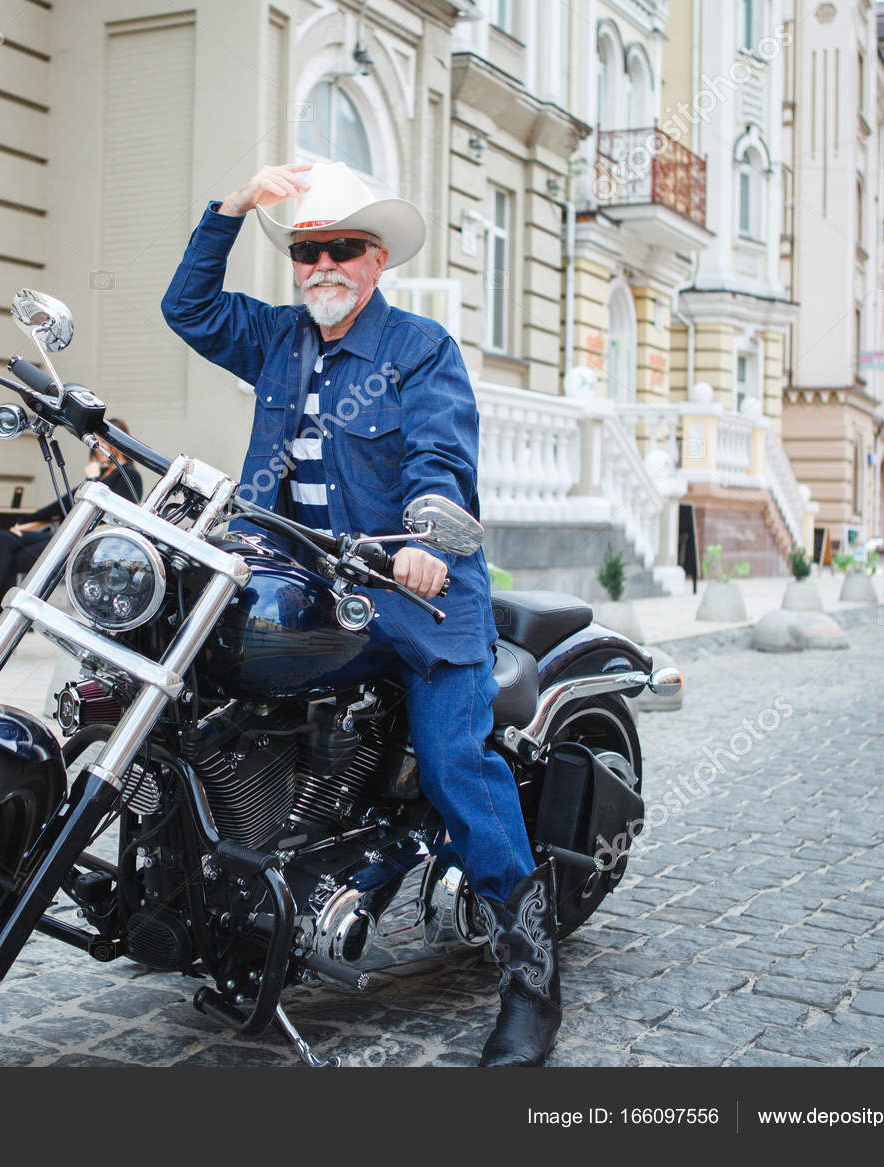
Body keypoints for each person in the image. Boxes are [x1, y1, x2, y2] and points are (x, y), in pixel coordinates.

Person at [161, 160, 558, 1067]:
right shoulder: (275, 338)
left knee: (458, 762)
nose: (322, 265)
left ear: (376, 259)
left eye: (342, 248)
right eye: (308, 249)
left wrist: (425, 535)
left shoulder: (419, 349)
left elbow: (440, 461)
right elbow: (188, 310)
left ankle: (531, 975)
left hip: (415, 596)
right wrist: (228, 207)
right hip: (304, 588)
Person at [0, 427, 142, 653]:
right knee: (5, 540)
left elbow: (117, 512)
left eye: (103, 443)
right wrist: (23, 523)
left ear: (116, 445)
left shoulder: (128, 474)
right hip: (65, 536)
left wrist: (91, 480)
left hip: (86, 546)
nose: (98, 448)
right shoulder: (100, 474)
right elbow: (61, 505)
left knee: (4, 560)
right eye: (96, 443)